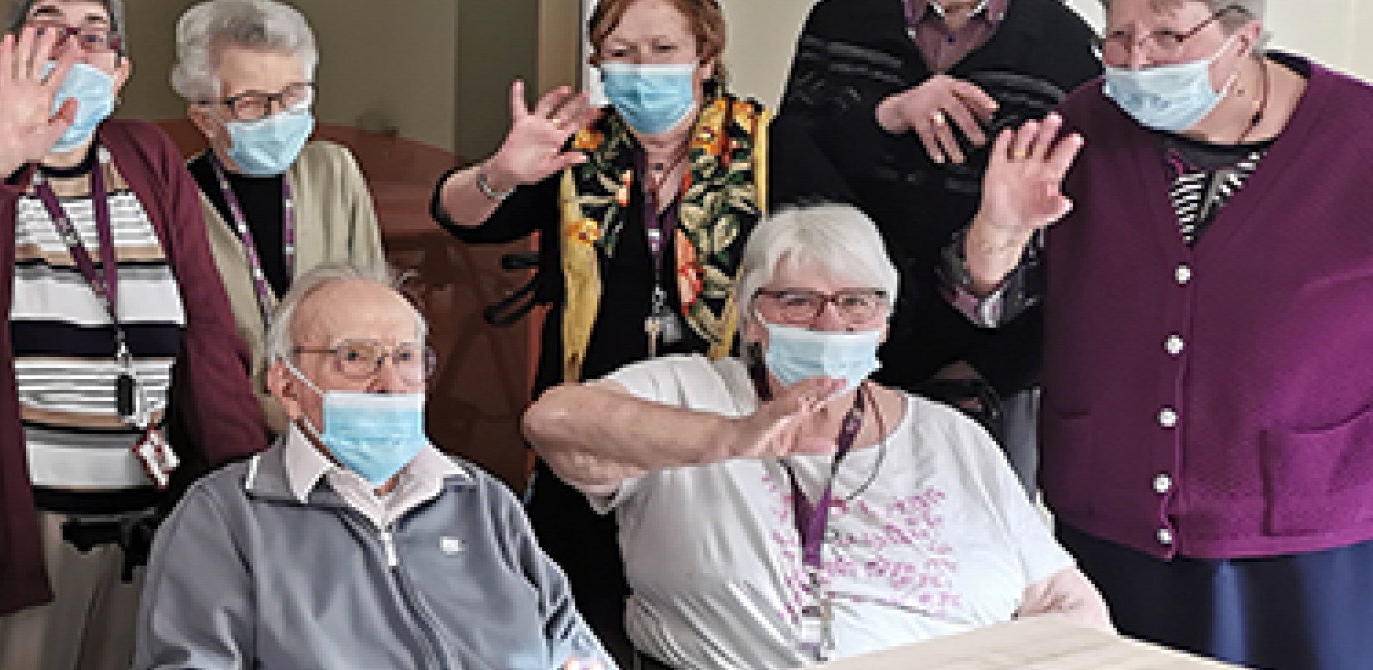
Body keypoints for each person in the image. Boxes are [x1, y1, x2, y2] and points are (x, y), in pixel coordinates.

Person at [955, 2, 1373, 668]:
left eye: (1167, 35)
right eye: (1116, 35)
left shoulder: (1359, 136)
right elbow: (988, 310)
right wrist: (998, 233)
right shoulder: (1082, 124)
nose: (1135, 59)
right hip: (1113, 522)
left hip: (1304, 534)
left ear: (1244, 35)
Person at [523, 203, 1109, 670]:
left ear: (884, 322)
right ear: (752, 318)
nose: (830, 323)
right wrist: (730, 438)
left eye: (856, 302)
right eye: (796, 301)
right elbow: (555, 422)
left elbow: (1062, 596)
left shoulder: (951, 436)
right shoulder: (691, 390)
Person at [0, 0, 266, 667]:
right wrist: (0, 153)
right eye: (49, 29)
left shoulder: (148, 157)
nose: (73, 49)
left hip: (153, 526)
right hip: (13, 534)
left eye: (94, 35)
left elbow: (209, 334)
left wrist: (243, 493)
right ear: (9, 54)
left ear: (120, 71)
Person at [430, 0, 765, 650]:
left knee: (701, 617)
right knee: (584, 616)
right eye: (622, 52)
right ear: (598, 62)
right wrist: (501, 173)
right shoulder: (576, 150)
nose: (643, 69)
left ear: (707, 57)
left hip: (711, 432)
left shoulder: (764, 147)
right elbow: (459, 215)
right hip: (586, 431)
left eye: (663, 50)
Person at [134, 263, 616, 670]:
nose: (389, 383)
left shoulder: (483, 502)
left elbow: (572, 647)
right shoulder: (224, 518)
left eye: (405, 357)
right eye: (354, 357)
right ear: (287, 387)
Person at [769, 0, 1100, 493]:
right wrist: (884, 118)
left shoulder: (1066, 44)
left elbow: (1076, 233)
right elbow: (787, 169)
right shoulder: (838, 19)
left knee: (976, 553)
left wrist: (996, 369)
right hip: (839, 353)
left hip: (984, 378)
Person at [170, 0, 386, 434]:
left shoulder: (334, 171)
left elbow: (375, 309)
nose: (276, 116)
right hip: (226, 435)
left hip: (343, 429)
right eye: (250, 103)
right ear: (205, 118)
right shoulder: (176, 196)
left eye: (292, 96)